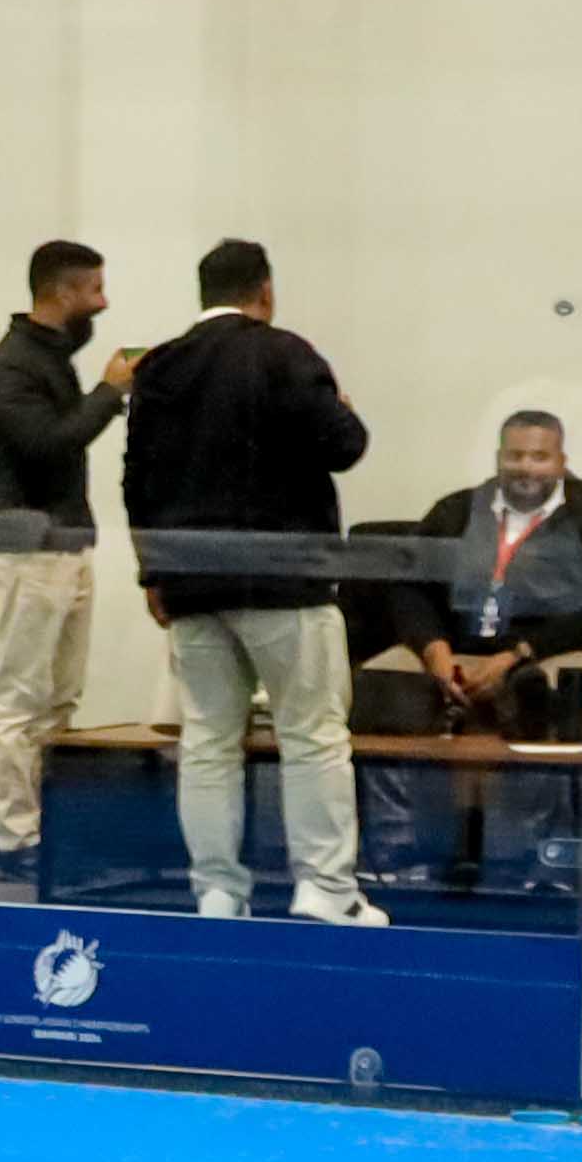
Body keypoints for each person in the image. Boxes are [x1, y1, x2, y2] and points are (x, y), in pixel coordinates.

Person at [116, 237, 380, 925]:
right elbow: (344, 446)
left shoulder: (159, 367)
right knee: (312, 735)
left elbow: (135, 479)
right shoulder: (286, 353)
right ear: (265, 290)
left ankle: (217, 891)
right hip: (284, 581)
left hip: (190, 582)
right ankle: (325, 889)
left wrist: (153, 571)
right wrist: (344, 408)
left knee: (207, 741)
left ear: (204, 293)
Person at [353, 406, 582, 896]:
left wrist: (521, 653)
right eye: (515, 456)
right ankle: (396, 856)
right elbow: (409, 588)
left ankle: (551, 862)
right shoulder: (456, 511)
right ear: (498, 458)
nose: (525, 468)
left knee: (558, 690)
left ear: (562, 461)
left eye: (539, 457)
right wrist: (433, 651)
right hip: (460, 649)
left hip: (568, 649)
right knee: (384, 680)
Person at [0, 240, 131, 869]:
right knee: (18, 697)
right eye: (94, 290)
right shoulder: (14, 368)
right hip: (28, 551)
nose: (103, 302)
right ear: (63, 292)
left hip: (63, 545)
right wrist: (109, 393)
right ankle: (16, 837)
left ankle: (46, 825)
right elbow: (48, 443)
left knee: (59, 697)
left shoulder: (46, 358)